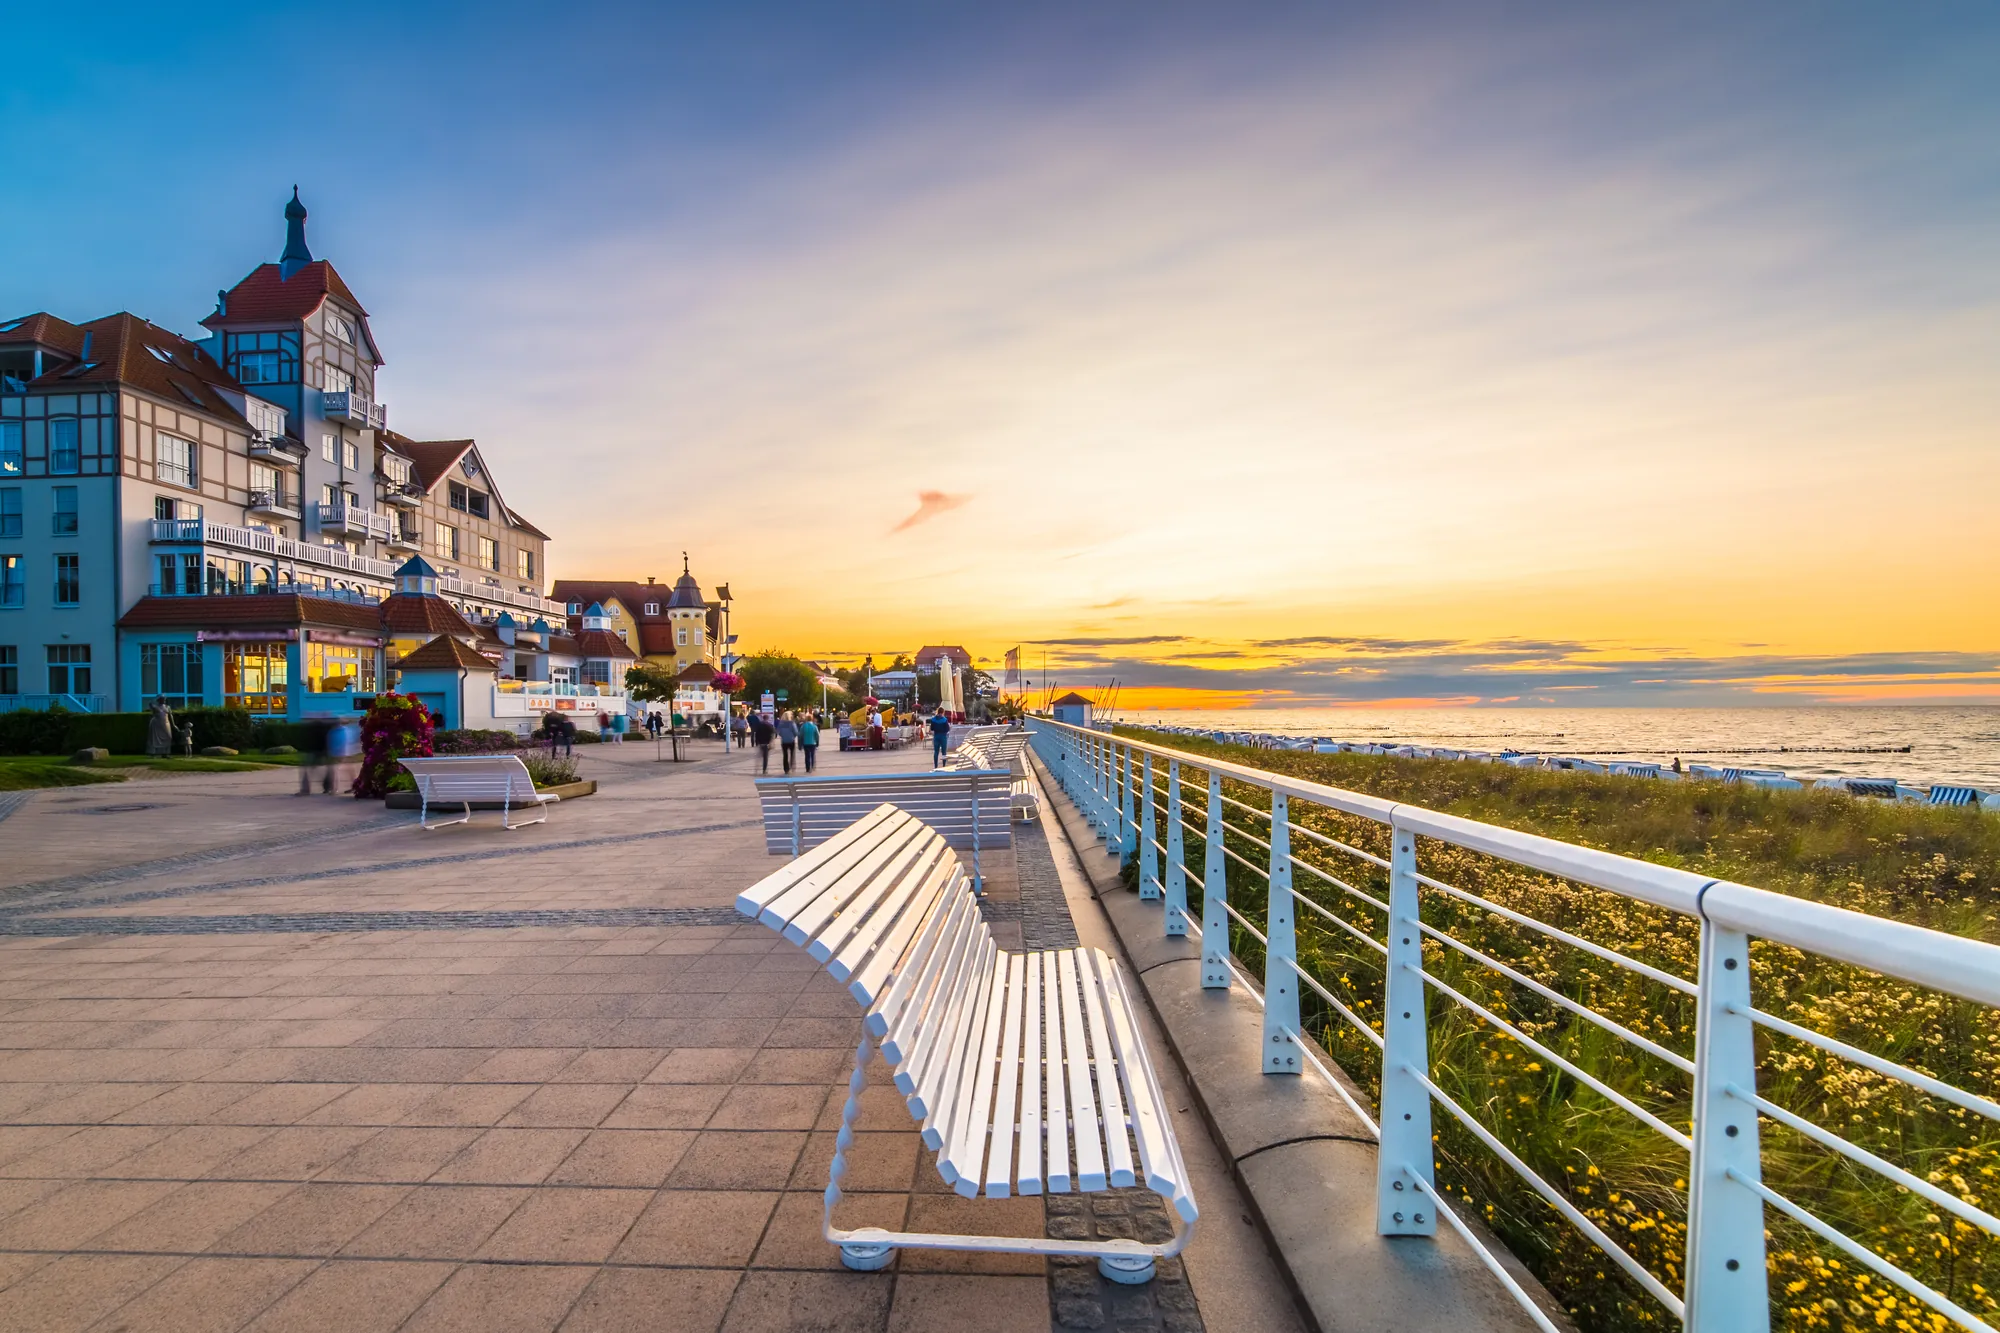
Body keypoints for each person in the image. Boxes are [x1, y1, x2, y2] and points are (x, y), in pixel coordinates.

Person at [297, 714, 332, 796]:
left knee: (307, 769)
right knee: (326, 770)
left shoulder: (313, 727)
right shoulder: (326, 727)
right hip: (324, 751)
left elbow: (310, 740)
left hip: (315, 751)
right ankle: (328, 787)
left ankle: (305, 790)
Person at [326, 716, 361, 793]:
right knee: (349, 770)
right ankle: (354, 786)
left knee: (336, 770)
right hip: (347, 753)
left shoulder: (334, 731)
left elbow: (333, 743)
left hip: (340, 753)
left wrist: (333, 753)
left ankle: (335, 789)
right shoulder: (348, 730)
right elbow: (352, 741)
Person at [775, 710, 799, 775]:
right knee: (792, 754)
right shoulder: (792, 723)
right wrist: (793, 736)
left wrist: (783, 736)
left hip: (784, 741)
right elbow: (796, 732)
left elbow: (778, 732)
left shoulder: (781, 724)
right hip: (791, 740)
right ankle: (792, 765)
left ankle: (786, 769)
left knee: (785, 755)